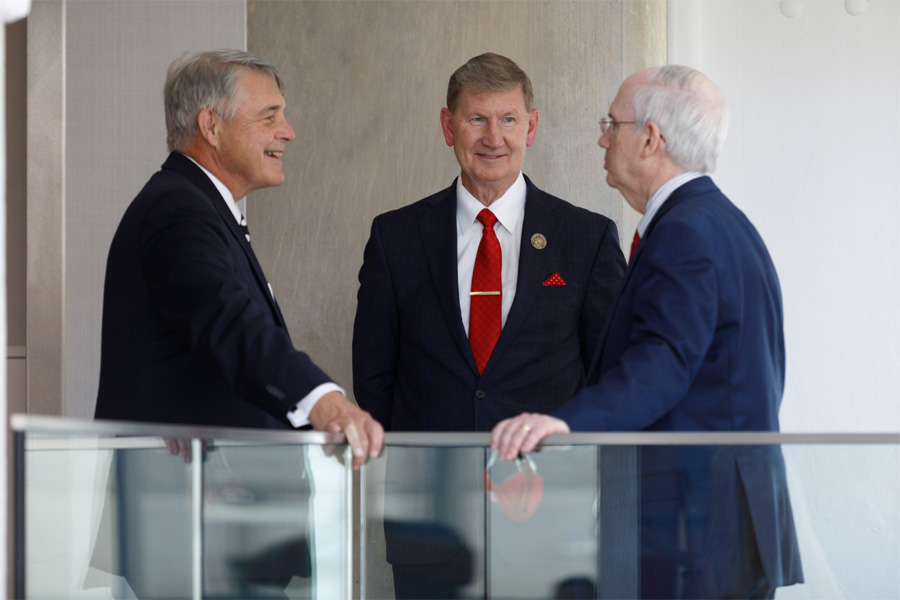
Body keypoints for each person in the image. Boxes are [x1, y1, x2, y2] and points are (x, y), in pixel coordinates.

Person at [491, 65, 804, 598]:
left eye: (612, 124)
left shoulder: (686, 232)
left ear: (651, 139)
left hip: (692, 528)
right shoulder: (722, 223)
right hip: (718, 521)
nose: (601, 137)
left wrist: (562, 424)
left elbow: (664, 364)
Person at [352, 53, 624, 598]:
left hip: (550, 513)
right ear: (448, 125)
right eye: (476, 119)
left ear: (532, 125)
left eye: (507, 119)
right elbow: (375, 378)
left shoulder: (586, 238)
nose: (492, 137)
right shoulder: (395, 237)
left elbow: (609, 374)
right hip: (428, 520)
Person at [95, 49, 383, 466]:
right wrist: (321, 400)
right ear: (211, 126)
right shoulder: (177, 209)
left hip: (208, 496)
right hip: (184, 505)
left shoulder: (193, 205)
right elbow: (228, 322)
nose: (288, 132)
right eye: (269, 117)